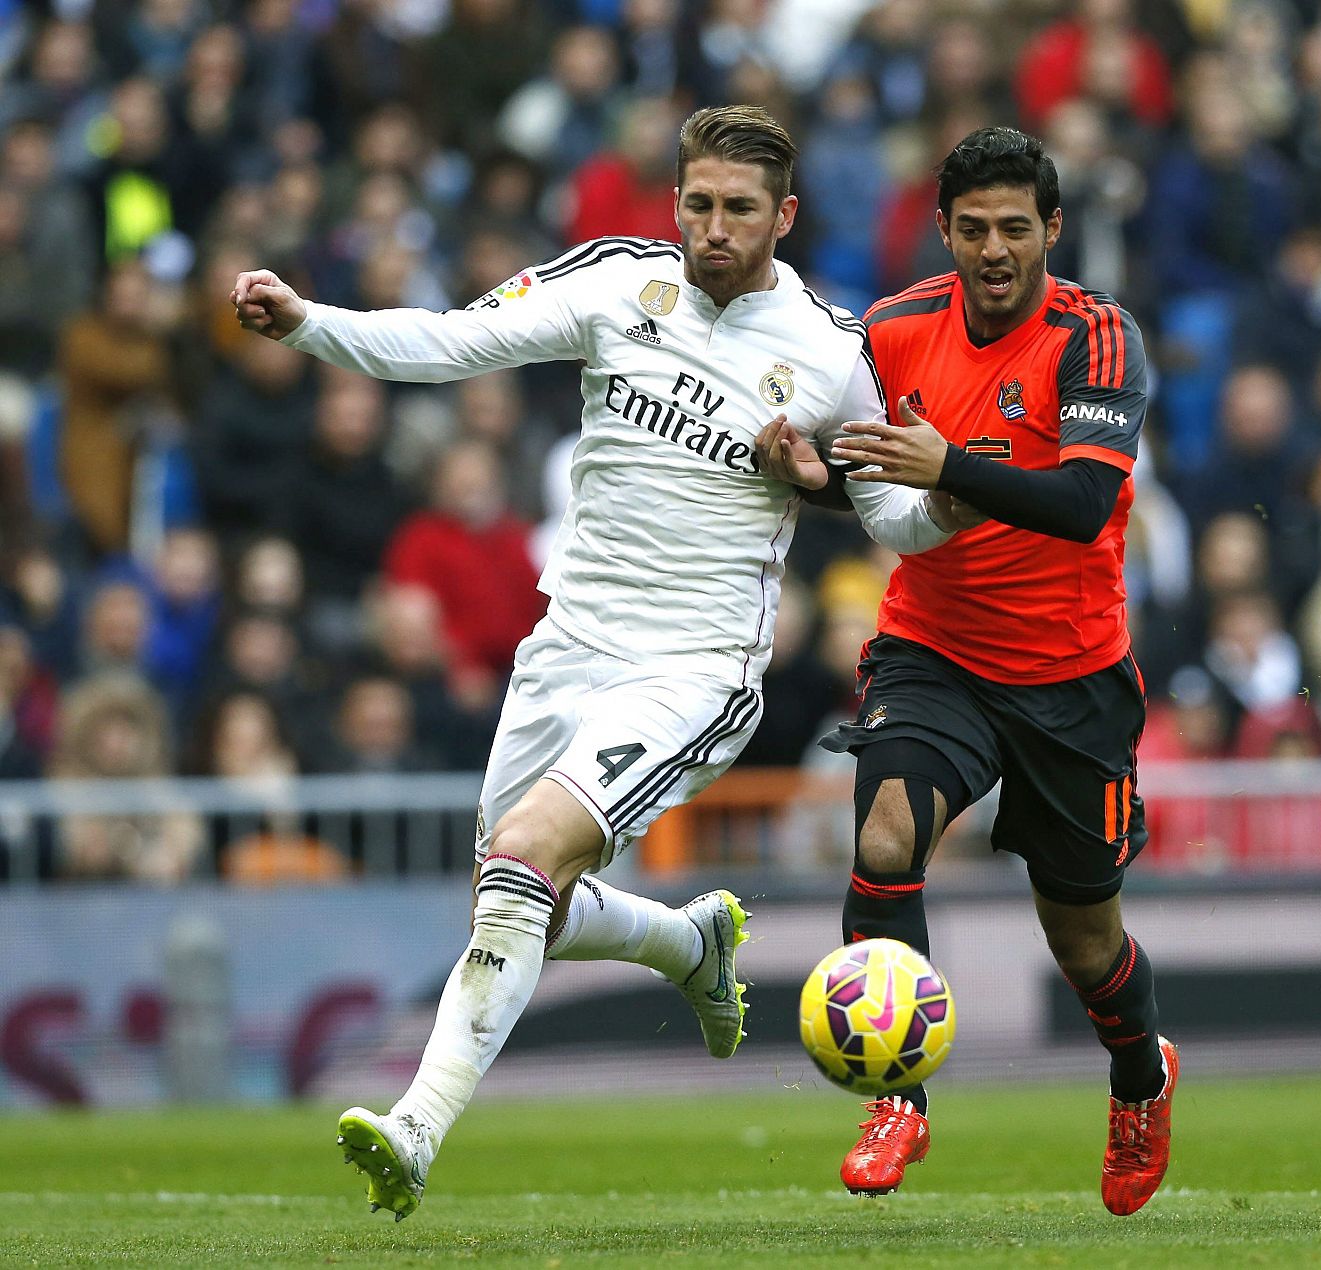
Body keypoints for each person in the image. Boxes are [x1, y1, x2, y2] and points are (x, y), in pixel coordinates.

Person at [230, 104, 966, 1221]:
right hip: (567, 641)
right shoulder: (620, 280)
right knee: (512, 893)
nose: (714, 229)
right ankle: (689, 940)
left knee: (523, 862)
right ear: (673, 202)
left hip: (695, 664)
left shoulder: (831, 350)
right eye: (699, 205)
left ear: (787, 216)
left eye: (740, 210)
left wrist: (941, 485)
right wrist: (307, 323)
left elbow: (894, 521)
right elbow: (450, 340)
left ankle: (415, 1128)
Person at [755, 126, 1176, 1214]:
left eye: (1015, 229)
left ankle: (1141, 1076)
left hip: (1069, 674)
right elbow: (865, 482)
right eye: (974, 229)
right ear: (943, 231)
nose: (995, 250)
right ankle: (899, 1098)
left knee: (1083, 940)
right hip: (931, 647)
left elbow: (1082, 503)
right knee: (888, 832)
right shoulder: (892, 330)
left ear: (1052, 231)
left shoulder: (1098, 339)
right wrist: (805, 469)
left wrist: (955, 464)